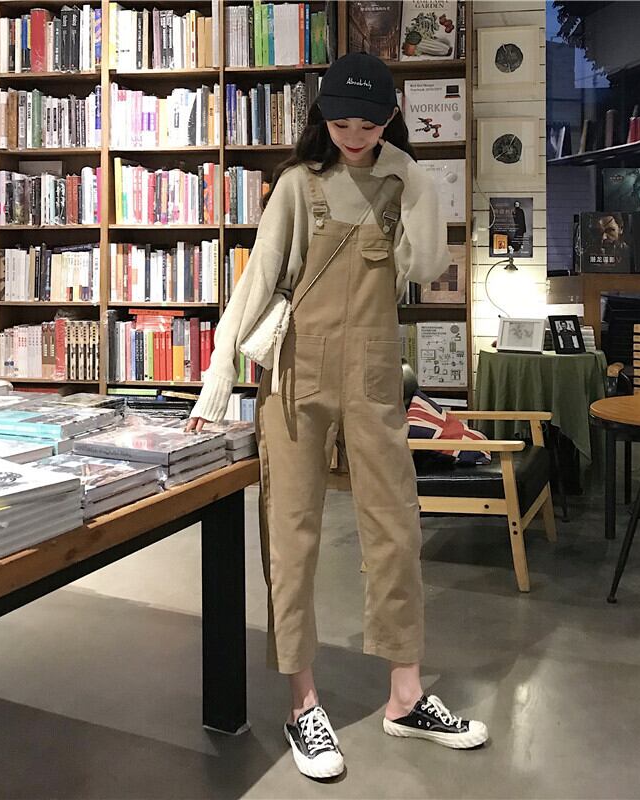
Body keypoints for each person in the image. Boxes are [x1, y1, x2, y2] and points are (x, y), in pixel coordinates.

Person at [185, 52, 487, 780]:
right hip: (297, 374)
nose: (354, 136)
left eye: (369, 124)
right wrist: (220, 366)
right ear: (323, 119)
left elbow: (424, 267)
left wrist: (414, 179)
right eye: (341, 123)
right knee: (291, 533)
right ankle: (304, 704)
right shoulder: (299, 184)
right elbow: (259, 279)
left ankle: (405, 696)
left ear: (390, 120)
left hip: (376, 373)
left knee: (396, 527)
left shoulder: (403, 181)